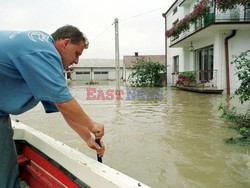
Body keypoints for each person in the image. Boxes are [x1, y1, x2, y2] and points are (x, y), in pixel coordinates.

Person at [0, 25, 105, 187]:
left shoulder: (40, 46)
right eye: (77, 54)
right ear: (66, 42)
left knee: (6, 166)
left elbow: (61, 105)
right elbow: (64, 102)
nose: (76, 61)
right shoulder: (44, 51)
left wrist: (88, 138)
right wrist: (92, 125)